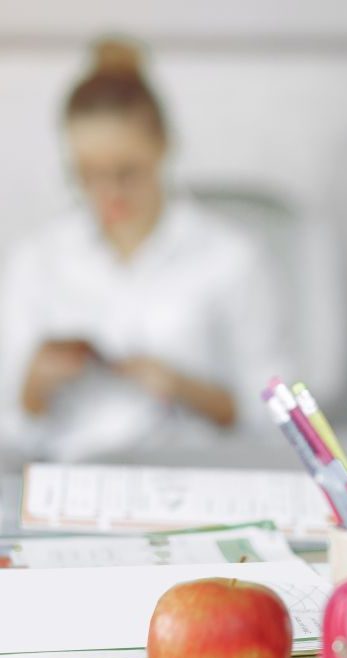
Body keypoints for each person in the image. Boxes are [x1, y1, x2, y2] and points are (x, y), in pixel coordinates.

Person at [0, 39, 289, 463]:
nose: (109, 193)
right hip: (72, 480)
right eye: (89, 175)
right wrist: (32, 391)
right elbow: (10, 430)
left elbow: (282, 415)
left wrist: (183, 387)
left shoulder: (230, 258)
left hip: (195, 475)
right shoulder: (37, 261)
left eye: (126, 172)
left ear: (163, 146)